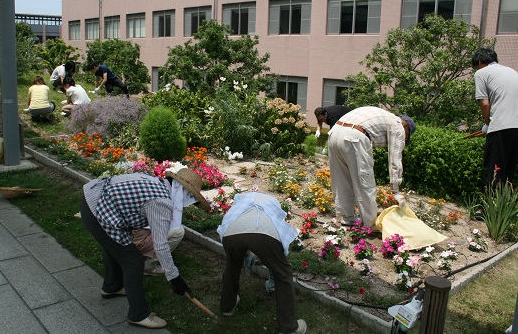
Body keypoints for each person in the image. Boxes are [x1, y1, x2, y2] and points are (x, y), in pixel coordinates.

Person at [80, 167, 209, 329]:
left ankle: (112, 286)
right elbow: (160, 245)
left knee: (114, 247)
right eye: (190, 201)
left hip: (93, 198)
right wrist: (175, 279)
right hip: (97, 208)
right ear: (183, 193)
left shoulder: (157, 183)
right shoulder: (161, 201)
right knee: (133, 260)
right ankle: (138, 314)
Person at [217, 192, 306, 334]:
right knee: (283, 273)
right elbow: (276, 226)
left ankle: (228, 306)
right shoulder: (272, 203)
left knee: (232, 266)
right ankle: (289, 327)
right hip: (264, 233)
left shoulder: (239, 205)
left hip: (231, 232)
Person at [327, 106, 416, 229]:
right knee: (365, 181)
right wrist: (396, 191)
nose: (404, 139)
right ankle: (369, 224)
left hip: (335, 132)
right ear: (406, 126)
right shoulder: (398, 126)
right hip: (355, 136)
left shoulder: (385, 117)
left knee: (342, 180)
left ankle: (347, 219)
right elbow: (395, 160)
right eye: (406, 136)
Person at [473, 47, 518, 188]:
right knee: (508, 172)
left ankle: (489, 209)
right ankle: (505, 207)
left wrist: (488, 124)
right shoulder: (513, 72)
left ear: (479, 61)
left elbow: (485, 103)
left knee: (494, 171)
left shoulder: (481, 73)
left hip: (501, 127)